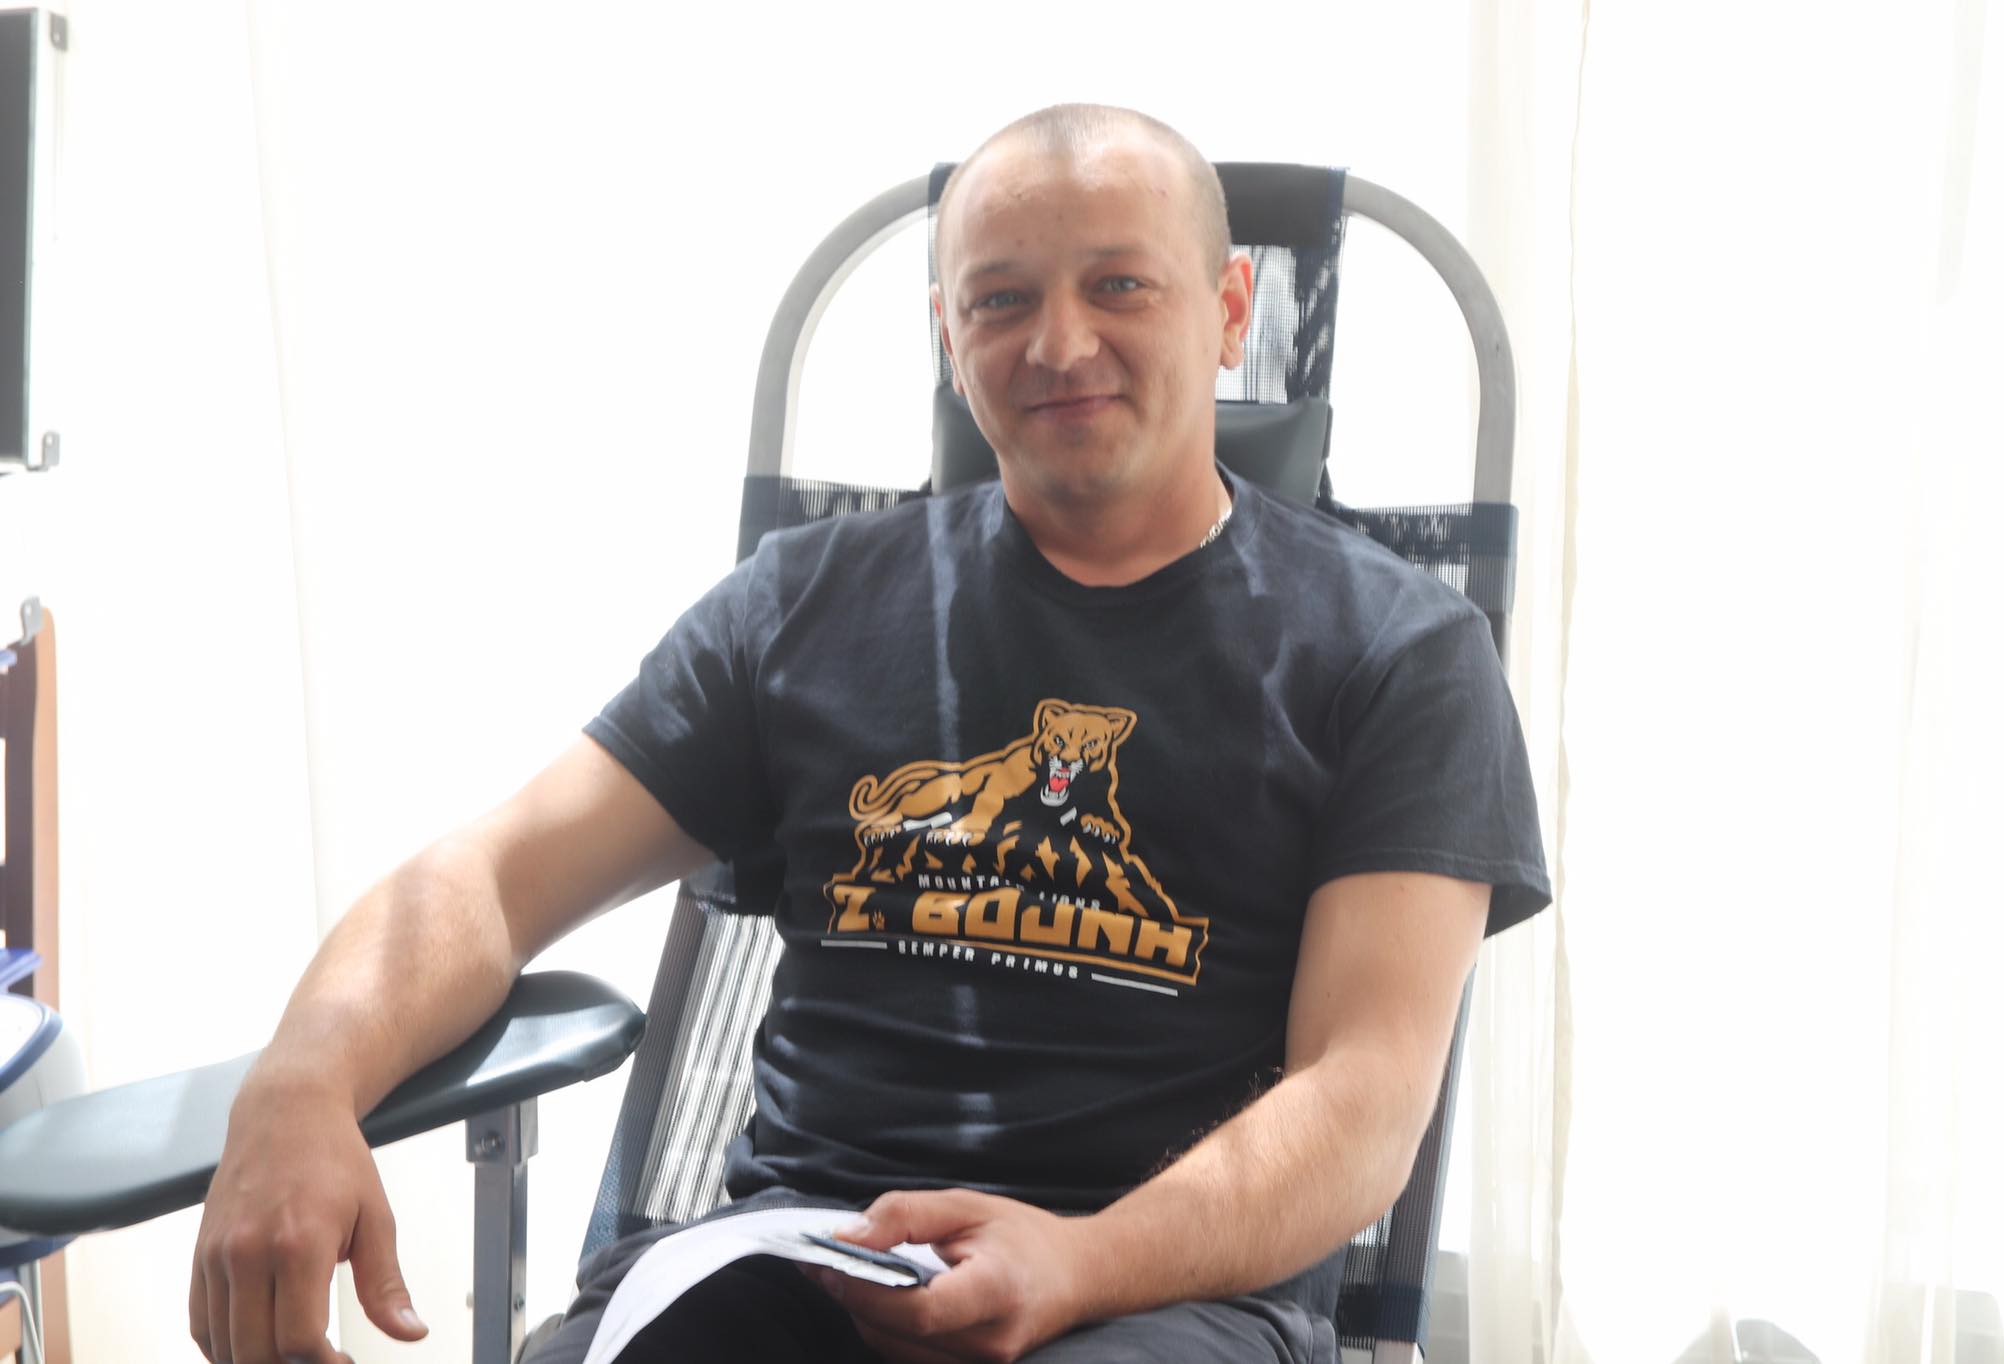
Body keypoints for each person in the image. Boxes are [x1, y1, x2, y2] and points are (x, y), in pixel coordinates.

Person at [188, 103, 1549, 1364]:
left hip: (1157, 1298)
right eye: (1000, 299)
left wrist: (1080, 1262)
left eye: (1120, 286)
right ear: (950, 337)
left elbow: (1365, 1097)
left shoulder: (1396, 651)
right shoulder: (805, 604)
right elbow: (487, 879)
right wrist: (301, 1083)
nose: (1059, 344)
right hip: (805, 1262)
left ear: (1231, 309)